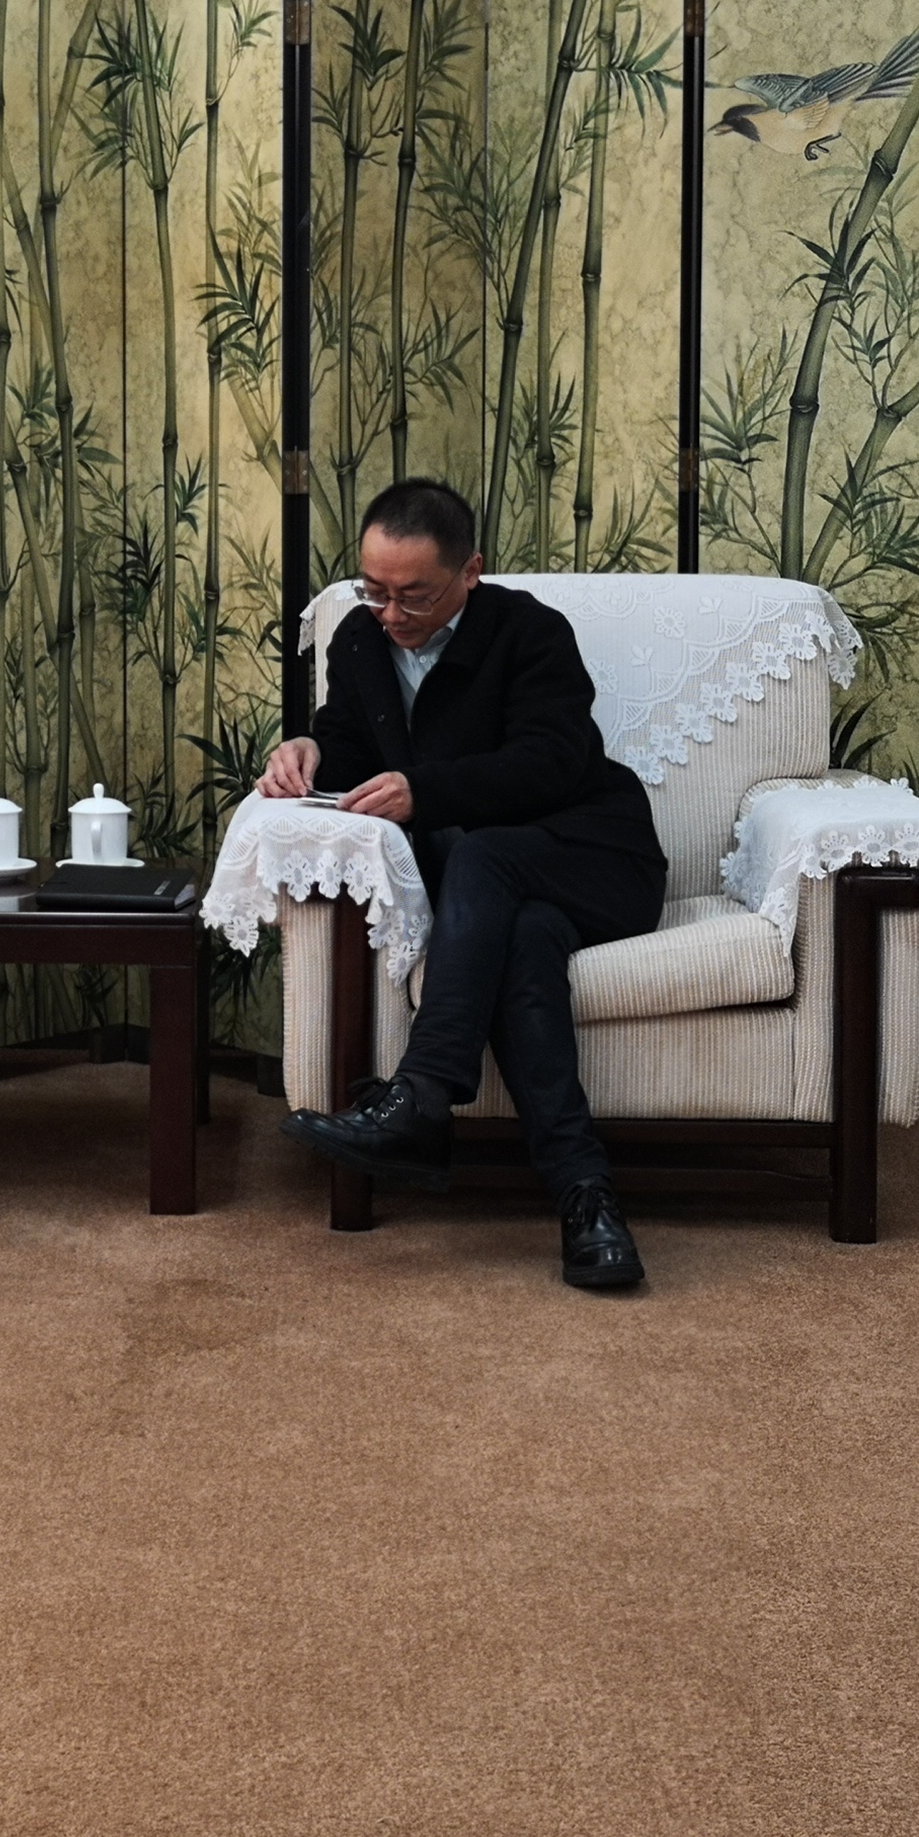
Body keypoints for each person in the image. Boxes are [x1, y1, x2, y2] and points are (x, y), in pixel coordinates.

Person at [263, 478, 667, 1291]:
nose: (389, 612)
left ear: (470, 571)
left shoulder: (529, 632)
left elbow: (555, 761)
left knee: (483, 856)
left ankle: (422, 1094)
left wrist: (427, 791)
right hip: (503, 901)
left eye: (413, 595)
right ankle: (587, 1203)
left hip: (599, 860)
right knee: (522, 950)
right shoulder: (359, 639)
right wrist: (308, 748)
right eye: (374, 589)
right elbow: (350, 746)